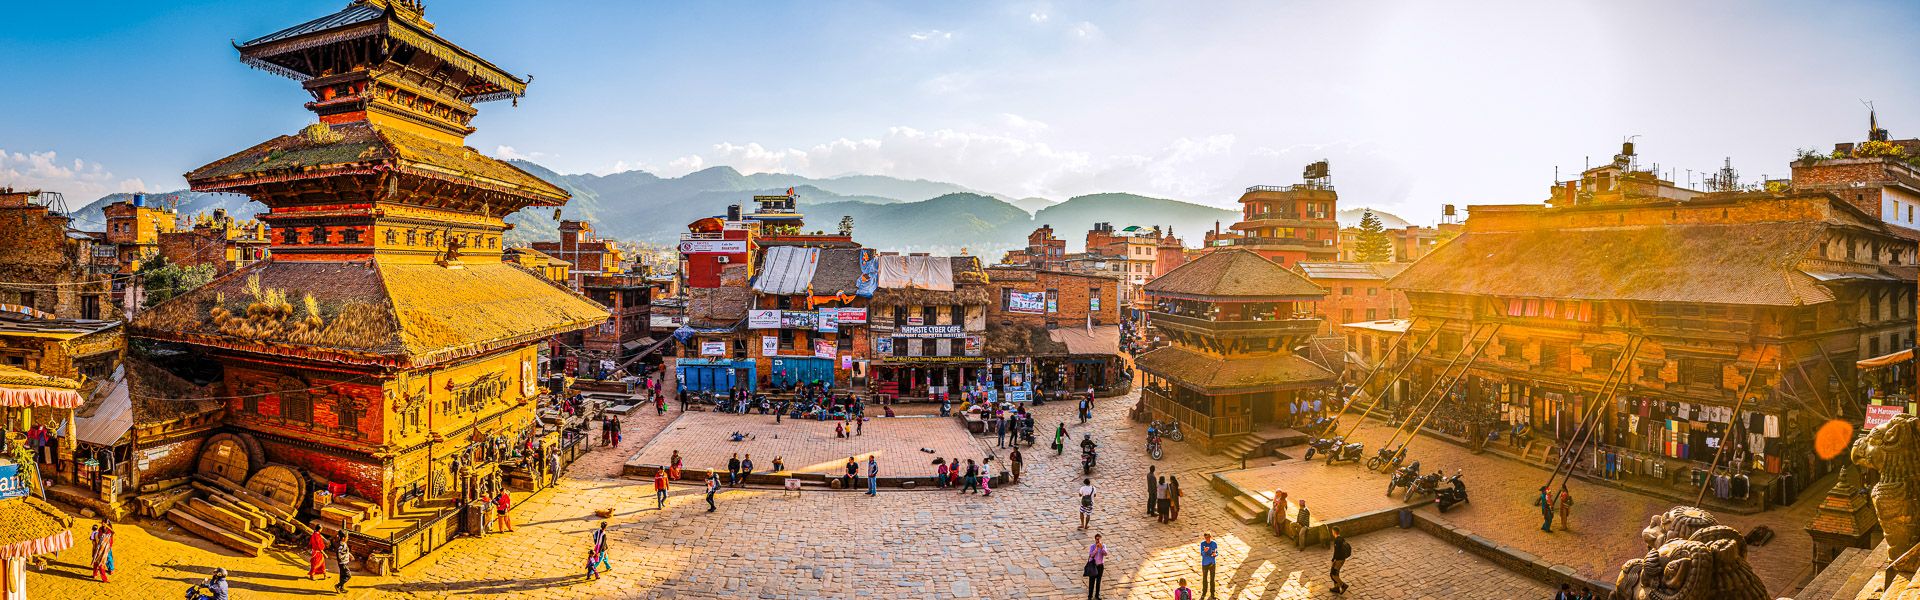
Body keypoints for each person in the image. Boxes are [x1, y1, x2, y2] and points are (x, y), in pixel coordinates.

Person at [1329, 526, 1351, 594]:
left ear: (1334, 532)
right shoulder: (1341, 538)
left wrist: (1334, 560)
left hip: (1339, 560)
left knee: (1333, 574)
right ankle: (1336, 587)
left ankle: (1343, 585)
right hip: (1341, 558)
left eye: (1332, 531)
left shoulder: (1337, 540)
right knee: (1334, 573)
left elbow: (1337, 551)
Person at [1085, 533, 1107, 600]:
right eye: (1097, 539)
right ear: (1095, 539)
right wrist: (1096, 549)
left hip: (1100, 566)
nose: (1098, 540)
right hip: (1093, 566)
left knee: (1098, 581)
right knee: (1091, 581)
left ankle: (1097, 595)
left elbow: (1105, 554)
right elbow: (1091, 555)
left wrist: (1102, 548)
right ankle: (1090, 596)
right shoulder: (1092, 546)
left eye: (1099, 539)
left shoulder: (1103, 546)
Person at [1198, 533, 1218, 599]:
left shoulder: (1214, 543)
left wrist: (1215, 554)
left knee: (1212, 579)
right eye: (1206, 538)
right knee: (1204, 579)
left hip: (1212, 563)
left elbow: (1216, 552)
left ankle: (1212, 593)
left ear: (1210, 537)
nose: (1207, 539)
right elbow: (1202, 554)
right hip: (1205, 563)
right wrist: (1204, 551)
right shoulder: (1202, 544)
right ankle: (1204, 593)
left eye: (1208, 537)